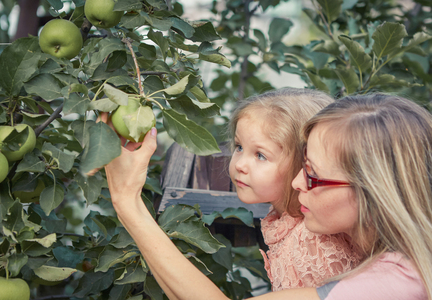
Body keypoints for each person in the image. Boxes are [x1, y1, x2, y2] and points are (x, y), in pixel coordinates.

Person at [104, 93, 432, 299]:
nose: (298, 182)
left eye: (313, 173)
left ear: (374, 194)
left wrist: (126, 200)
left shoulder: (389, 283)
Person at [227, 88, 361, 290]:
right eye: (239, 147)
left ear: (303, 164)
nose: (240, 165)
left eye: (260, 155)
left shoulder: (312, 243)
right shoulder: (289, 223)